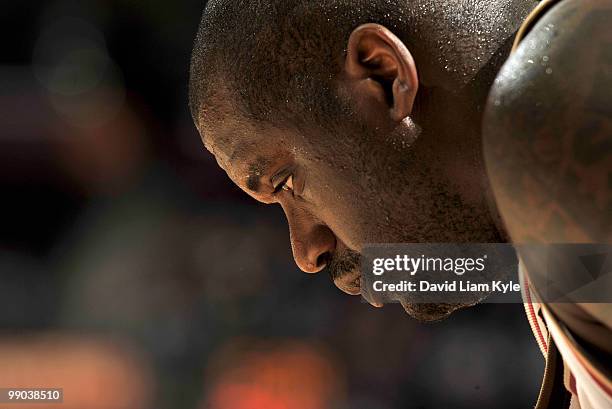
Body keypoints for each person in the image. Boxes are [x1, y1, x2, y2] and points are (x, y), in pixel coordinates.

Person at [188, 0, 611, 408]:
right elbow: (537, 271)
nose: (306, 252)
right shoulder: (554, 234)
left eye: (285, 181)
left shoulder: (570, 123)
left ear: (384, 76)